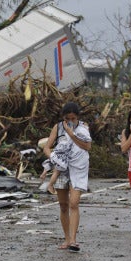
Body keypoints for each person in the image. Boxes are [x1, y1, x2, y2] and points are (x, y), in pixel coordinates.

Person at [43, 102, 92, 252]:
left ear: (77, 117)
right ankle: (66, 238)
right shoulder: (58, 128)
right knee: (63, 205)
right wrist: (54, 158)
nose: (70, 121)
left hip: (78, 168)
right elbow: (47, 146)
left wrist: (72, 135)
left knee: (74, 203)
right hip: (61, 169)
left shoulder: (83, 128)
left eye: (73, 118)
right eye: (67, 118)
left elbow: (88, 146)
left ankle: (73, 240)